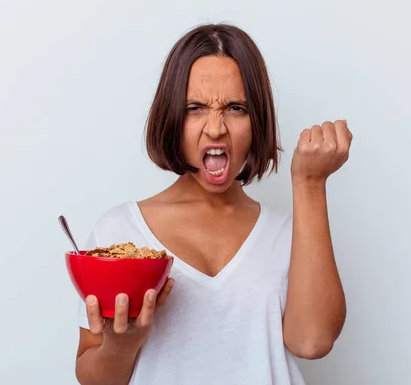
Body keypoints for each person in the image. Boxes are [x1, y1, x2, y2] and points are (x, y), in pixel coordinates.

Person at [74, 23, 352, 385]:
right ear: (171, 118)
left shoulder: (290, 234)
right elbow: (92, 377)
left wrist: (310, 183)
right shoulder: (120, 234)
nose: (216, 127)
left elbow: (312, 342)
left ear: (257, 122)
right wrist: (121, 346)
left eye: (236, 108)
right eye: (195, 108)